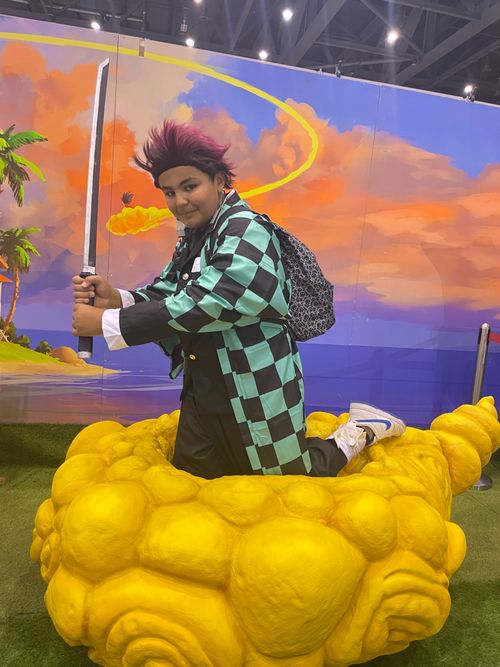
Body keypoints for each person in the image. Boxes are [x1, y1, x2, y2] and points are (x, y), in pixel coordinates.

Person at [72, 121, 405, 479]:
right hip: (203, 389)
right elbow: (171, 290)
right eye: (169, 192)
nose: (179, 202)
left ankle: (360, 430)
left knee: (291, 478)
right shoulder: (196, 236)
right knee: (194, 480)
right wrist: (117, 300)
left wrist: (109, 323)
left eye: (189, 186)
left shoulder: (248, 230)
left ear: (219, 180)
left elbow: (213, 300)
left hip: (255, 383)